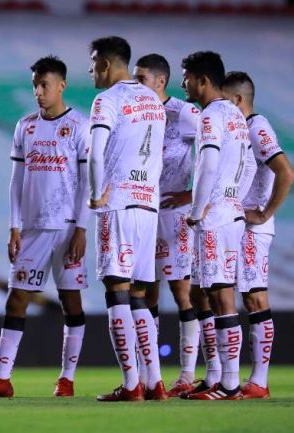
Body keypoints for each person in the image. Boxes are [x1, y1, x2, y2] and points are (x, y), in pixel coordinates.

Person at [0, 56, 90, 399]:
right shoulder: (26, 126)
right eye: (35, 85)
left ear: (61, 85)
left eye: (44, 85)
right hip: (33, 230)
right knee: (16, 300)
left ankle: (66, 379)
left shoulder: (79, 126)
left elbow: (85, 182)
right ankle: (2, 379)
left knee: (72, 303)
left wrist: (81, 228)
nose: (38, 91)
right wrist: (14, 227)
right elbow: (16, 180)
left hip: (67, 229)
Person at [86, 36, 166, 402]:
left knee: (116, 290)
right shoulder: (152, 99)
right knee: (139, 295)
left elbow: (97, 151)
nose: (90, 71)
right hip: (148, 205)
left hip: (117, 203)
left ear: (105, 63)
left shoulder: (107, 100)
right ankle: (155, 382)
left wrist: (95, 193)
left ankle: (132, 384)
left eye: (92, 63)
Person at [180, 51, 255, 400]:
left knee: (222, 297)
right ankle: (215, 377)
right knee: (202, 292)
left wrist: (197, 210)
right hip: (231, 213)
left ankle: (228, 383)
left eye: (187, 77)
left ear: (202, 81)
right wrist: (232, 195)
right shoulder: (236, 116)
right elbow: (251, 167)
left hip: (214, 219)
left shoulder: (210, 115)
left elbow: (208, 163)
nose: (184, 84)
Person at [132, 54, 202, 397]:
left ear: (160, 81)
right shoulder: (137, 114)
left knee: (181, 290)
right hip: (143, 210)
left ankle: (187, 374)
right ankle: (149, 375)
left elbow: (218, 150)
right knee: (147, 290)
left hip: (176, 213)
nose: (136, 85)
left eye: (141, 78)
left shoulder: (184, 114)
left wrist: (192, 192)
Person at [221, 71, 293, 399]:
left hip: (253, 227)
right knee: (234, 295)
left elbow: (285, 172)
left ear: (237, 100)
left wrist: (264, 213)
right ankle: (228, 379)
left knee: (254, 297)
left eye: (225, 100)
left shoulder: (257, 128)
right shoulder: (238, 130)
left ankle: (259, 382)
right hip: (238, 223)